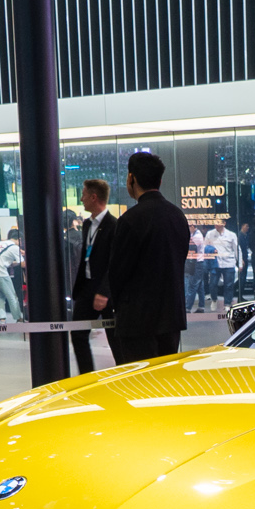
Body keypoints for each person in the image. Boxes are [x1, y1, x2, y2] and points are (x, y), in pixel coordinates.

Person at [97, 150, 191, 363]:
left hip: (137, 320)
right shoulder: (177, 216)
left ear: (131, 178)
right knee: (166, 377)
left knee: (139, 378)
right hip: (171, 317)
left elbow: (118, 271)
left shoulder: (130, 219)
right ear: (160, 180)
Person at [67, 177, 117, 375]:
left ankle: (126, 378)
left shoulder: (114, 225)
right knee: (78, 334)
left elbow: (114, 263)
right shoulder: (87, 224)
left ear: (94, 197)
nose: (82, 199)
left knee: (116, 339)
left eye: (84, 195)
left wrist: (104, 292)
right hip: (87, 288)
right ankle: (87, 378)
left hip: (107, 291)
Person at [209, 217, 241, 307]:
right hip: (215, 263)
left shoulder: (231, 235)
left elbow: (237, 249)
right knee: (213, 284)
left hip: (229, 263)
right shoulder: (210, 234)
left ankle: (227, 303)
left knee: (229, 285)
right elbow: (206, 247)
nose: (216, 225)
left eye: (218, 223)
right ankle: (214, 299)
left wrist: (240, 263)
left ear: (224, 223)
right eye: (215, 223)